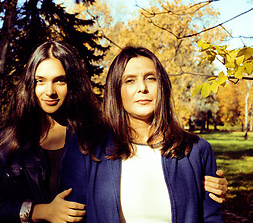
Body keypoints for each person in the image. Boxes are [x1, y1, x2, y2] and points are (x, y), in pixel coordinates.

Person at [60, 46, 225, 222]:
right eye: (130, 80)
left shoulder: (195, 151)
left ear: (162, 87)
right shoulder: (87, 147)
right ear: (116, 90)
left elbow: (211, 217)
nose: (142, 88)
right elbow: (71, 216)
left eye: (151, 78)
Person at [0, 41, 101, 222]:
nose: (49, 91)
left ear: (73, 84)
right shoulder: (7, 139)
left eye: (60, 80)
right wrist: (40, 211)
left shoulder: (96, 137)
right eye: (40, 81)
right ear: (31, 85)